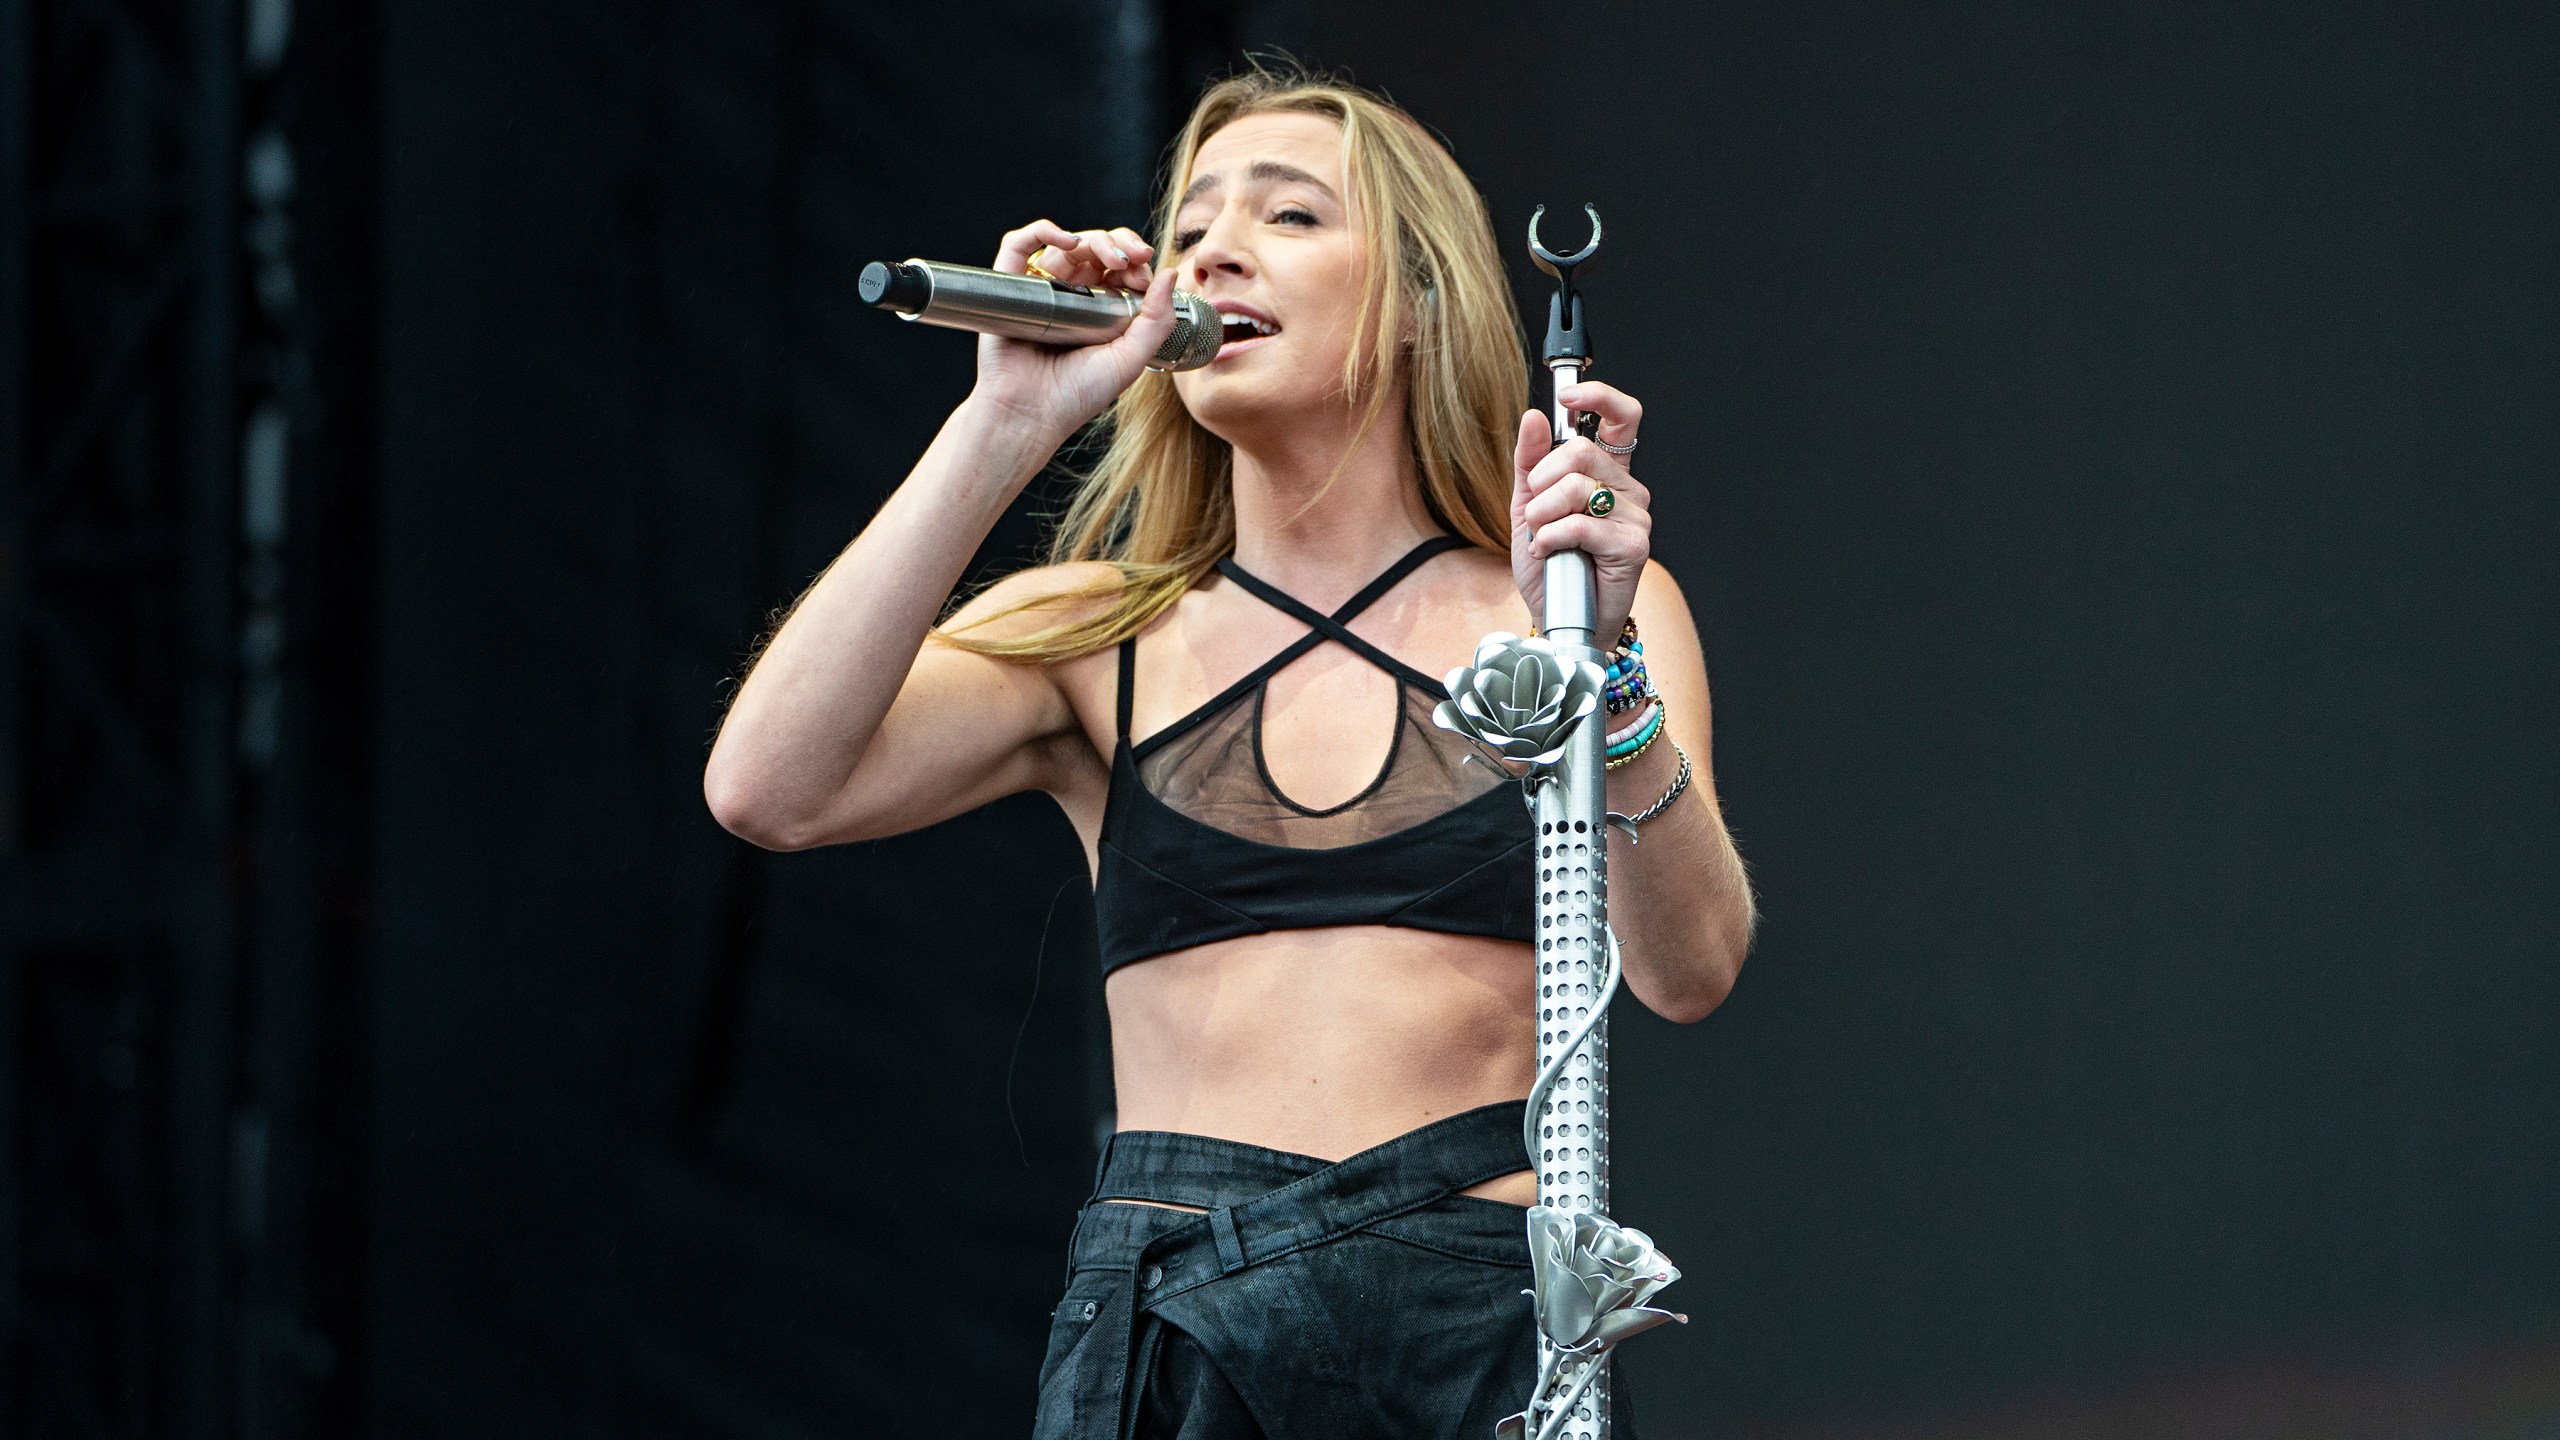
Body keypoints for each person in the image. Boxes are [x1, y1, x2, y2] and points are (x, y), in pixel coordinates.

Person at [704, 63, 1754, 1440]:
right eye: (1193, 220)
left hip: (1464, 1316)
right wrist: (1004, 424)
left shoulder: (1563, 606)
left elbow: (1691, 971)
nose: (1213, 247)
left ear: (1420, 298)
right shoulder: (1094, 629)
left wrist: (1603, 670)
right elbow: (766, 789)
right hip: (1172, 1303)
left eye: (1292, 214)